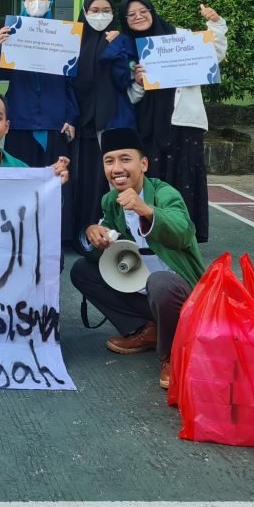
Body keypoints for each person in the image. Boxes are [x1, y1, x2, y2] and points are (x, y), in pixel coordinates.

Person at [69, 126, 206, 389]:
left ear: (143, 164)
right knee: (82, 271)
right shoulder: (110, 200)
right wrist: (92, 235)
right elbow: (105, 251)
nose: (117, 168)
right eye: (109, 161)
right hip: (143, 289)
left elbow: (183, 231)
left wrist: (147, 211)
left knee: (160, 283)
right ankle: (147, 329)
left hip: (180, 291)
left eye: (125, 159)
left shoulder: (165, 193)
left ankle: (171, 355)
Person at [114, 0, 228, 243]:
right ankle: (148, 234)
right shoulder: (128, 48)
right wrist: (137, 82)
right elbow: (132, 98)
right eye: (131, 15)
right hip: (147, 128)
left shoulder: (179, 36)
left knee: (184, 179)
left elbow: (214, 54)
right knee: (152, 179)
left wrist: (216, 23)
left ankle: (183, 237)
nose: (138, 17)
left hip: (184, 123)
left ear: (152, 11)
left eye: (142, 11)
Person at [69, 0, 136, 247]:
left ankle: (114, 233)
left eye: (106, 10)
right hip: (81, 123)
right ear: (85, 13)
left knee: (109, 180)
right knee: (82, 180)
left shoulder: (123, 42)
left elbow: (125, 80)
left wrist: (116, 48)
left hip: (112, 122)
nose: (100, 15)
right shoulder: (73, 42)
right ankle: (81, 233)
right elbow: (70, 81)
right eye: (94, 10)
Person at [0, 0, 78, 167]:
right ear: (23, 2)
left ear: (51, 1)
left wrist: (71, 118)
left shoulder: (63, 36)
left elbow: (69, 81)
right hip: (20, 118)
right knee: (22, 178)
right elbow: (2, 74)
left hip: (54, 121)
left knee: (54, 181)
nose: (36, 2)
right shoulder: (13, 33)